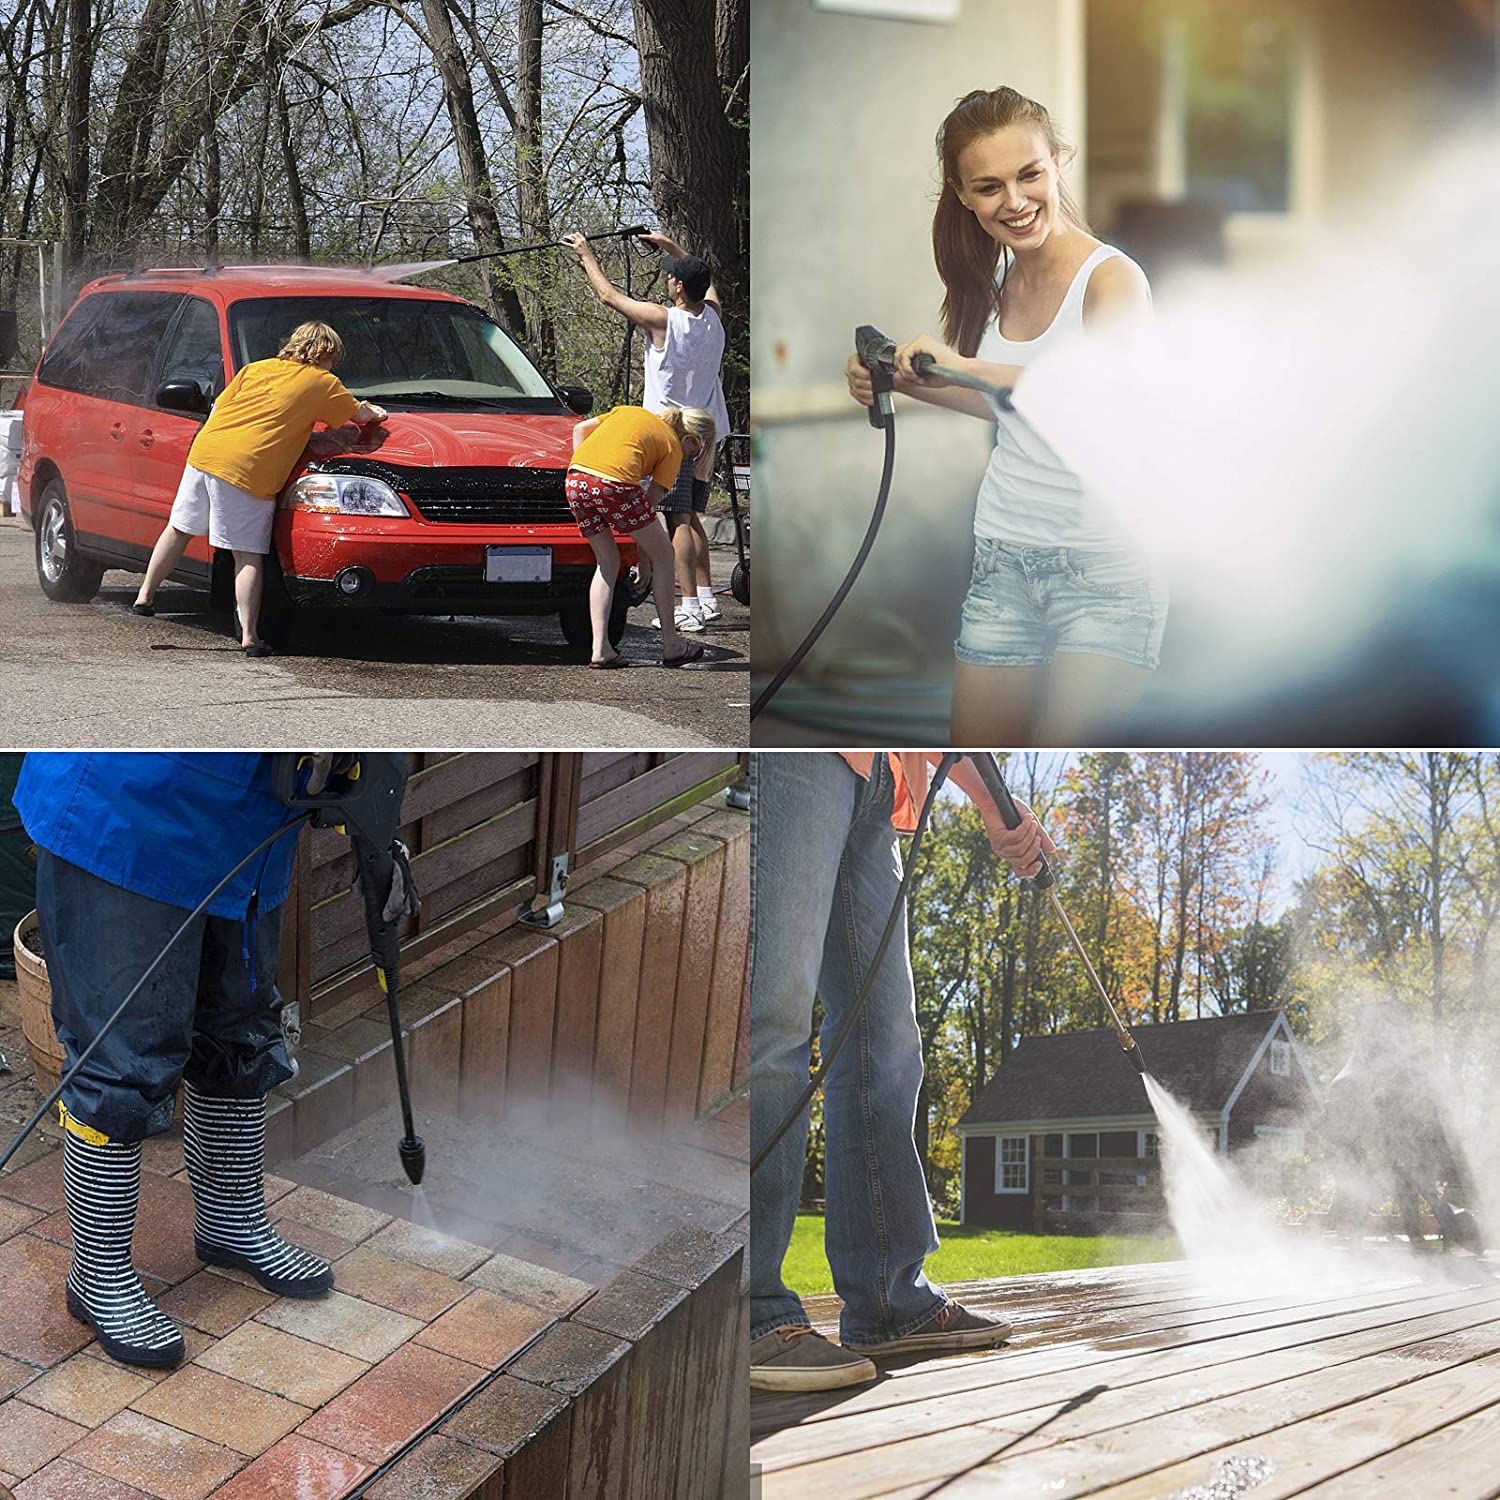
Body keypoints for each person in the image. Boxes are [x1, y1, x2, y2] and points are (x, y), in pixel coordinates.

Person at [845, 87, 1164, 746]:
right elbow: (1012, 405)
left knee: (1056, 760)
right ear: (962, 195)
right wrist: (904, 382)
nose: (1014, 202)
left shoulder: (1113, 281)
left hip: (1107, 569)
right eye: (988, 187)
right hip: (1005, 557)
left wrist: (958, 362)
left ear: (1059, 162)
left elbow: (1097, 397)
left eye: (1029, 176)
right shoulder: (995, 287)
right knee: (977, 757)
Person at [11, 753, 339, 1367]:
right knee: (119, 1061)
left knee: (239, 1027)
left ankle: (231, 1224)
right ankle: (97, 1275)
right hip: (129, 809)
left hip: (249, 818)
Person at [750, 753, 1053, 1392]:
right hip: (805, 744)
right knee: (774, 1020)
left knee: (885, 1046)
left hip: (886, 782)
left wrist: (993, 802)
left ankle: (891, 1300)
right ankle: (749, 1310)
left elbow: (940, 690)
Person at [132, 321, 386, 657]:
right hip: (248, 467)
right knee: (247, 554)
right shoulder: (323, 382)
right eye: (333, 357)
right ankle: (250, 636)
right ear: (325, 353)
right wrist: (376, 412)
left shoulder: (256, 368)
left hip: (206, 453)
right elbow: (360, 415)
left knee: (179, 528)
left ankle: (145, 597)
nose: (334, 364)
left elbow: (219, 408)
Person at [566, 231, 730, 633]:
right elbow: (705, 282)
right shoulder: (713, 317)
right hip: (708, 429)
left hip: (673, 433)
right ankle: (706, 598)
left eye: (673, 276)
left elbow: (609, 296)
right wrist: (673, 247)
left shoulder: (664, 320)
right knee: (690, 516)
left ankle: (688, 604)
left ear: (676, 287)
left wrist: (586, 253)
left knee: (677, 519)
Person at [567, 402, 715, 668]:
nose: (691, 457)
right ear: (690, 439)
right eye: (695, 451)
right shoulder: (672, 448)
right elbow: (648, 507)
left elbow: (580, 428)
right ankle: (672, 645)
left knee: (607, 563)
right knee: (665, 554)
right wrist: (644, 563)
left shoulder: (629, 411)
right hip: (615, 484)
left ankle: (600, 649)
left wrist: (588, 471)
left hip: (576, 480)